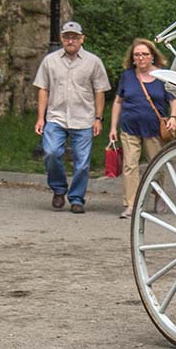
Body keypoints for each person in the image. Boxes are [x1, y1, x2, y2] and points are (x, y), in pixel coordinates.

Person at [34, 22, 109, 213]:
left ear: (82, 39)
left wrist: (98, 118)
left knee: (82, 163)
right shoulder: (50, 61)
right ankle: (58, 189)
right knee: (50, 153)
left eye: (74, 37)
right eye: (67, 37)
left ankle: (77, 198)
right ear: (61, 38)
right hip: (56, 117)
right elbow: (43, 89)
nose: (70, 40)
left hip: (83, 118)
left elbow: (100, 91)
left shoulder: (93, 62)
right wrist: (40, 118)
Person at [110, 37, 176, 219]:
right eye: (137, 55)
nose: (141, 58)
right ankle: (131, 205)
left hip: (154, 128)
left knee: (157, 164)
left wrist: (173, 118)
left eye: (144, 54)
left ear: (152, 56)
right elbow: (118, 101)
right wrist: (112, 127)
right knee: (130, 166)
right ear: (132, 58)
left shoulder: (162, 76)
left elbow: (174, 100)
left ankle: (158, 195)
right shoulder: (127, 76)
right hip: (129, 126)